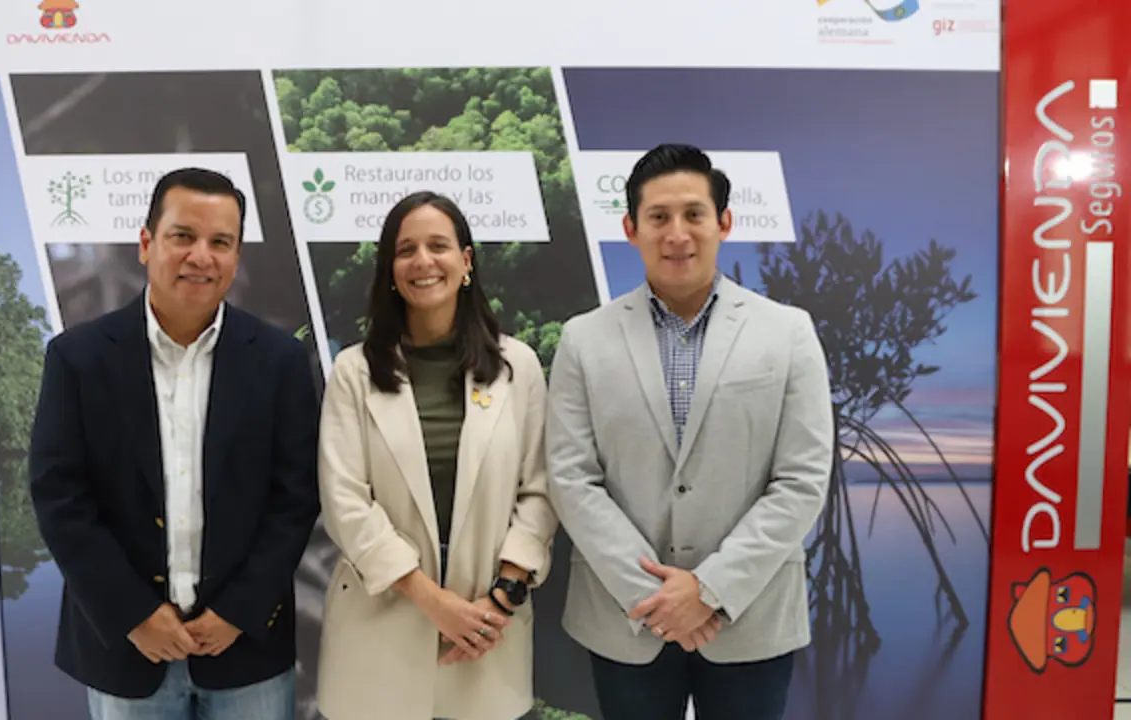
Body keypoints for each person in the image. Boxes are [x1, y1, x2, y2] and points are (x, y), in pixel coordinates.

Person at [545, 144, 834, 720]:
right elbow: (572, 477)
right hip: (626, 620)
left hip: (749, 614)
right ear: (631, 228)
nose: (677, 233)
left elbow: (802, 479)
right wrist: (656, 598)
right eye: (658, 217)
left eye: (694, 214)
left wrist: (709, 589)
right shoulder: (584, 338)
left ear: (723, 223)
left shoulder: (787, 333)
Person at [28, 167, 321, 720]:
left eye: (220, 242)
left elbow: (296, 498)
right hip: (125, 649)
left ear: (236, 256)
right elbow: (60, 498)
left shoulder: (280, 361)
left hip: (245, 648)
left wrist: (239, 610)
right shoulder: (78, 358)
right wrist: (132, 613)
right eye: (182, 236)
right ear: (146, 243)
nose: (200, 256)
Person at [315, 191, 558, 720]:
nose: (423, 261)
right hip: (378, 628)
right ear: (390, 269)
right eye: (406, 250)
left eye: (438, 246)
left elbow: (540, 491)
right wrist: (433, 602)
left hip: (487, 632)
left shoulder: (519, 366)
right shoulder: (354, 372)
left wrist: (500, 600)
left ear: (465, 261)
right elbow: (345, 502)